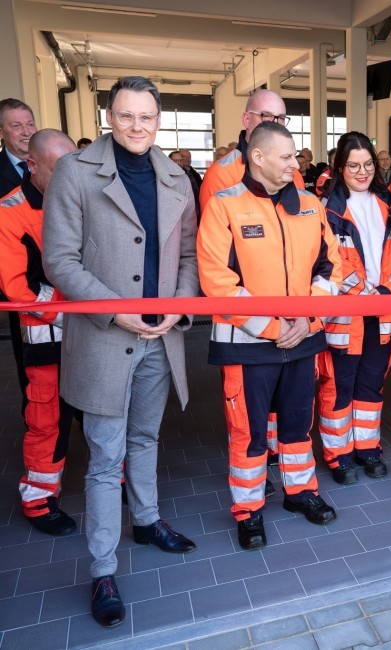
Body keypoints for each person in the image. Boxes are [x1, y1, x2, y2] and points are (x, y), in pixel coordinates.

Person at [43, 76, 199, 628]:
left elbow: (186, 258)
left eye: (148, 117)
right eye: (127, 116)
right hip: (107, 336)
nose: (138, 126)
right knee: (107, 459)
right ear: (110, 116)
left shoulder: (177, 177)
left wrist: (180, 306)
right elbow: (58, 261)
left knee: (146, 436)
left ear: (160, 121)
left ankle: (150, 519)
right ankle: (103, 568)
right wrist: (117, 308)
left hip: (162, 335)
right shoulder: (75, 172)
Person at [197, 121, 343, 548]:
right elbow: (217, 282)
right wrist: (278, 327)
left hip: (303, 342)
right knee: (249, 431)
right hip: (247, 347)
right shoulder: (224, 205)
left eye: (295, 156)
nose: (294, 163)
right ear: (257, 158)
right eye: (286, 156)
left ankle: (301, 493)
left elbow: (330, 266)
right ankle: (249, 510)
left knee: (298, 424)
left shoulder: (311, 205)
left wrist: (306, 321)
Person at [0, 129, 77, 536]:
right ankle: (39, 500)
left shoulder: (81, 200)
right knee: (47, 419)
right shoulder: (8, 212)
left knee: (106, 411)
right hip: (47, 339)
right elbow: (20, 289)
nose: (69, 178)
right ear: (32, 165)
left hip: (91, 335)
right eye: (58, 170)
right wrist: (77, 312)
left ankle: (113, 481)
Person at [318, 132, 391, 484]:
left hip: (384, 311)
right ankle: (339, 455)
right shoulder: (327, 208)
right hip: (344, 314)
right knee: (339, 386)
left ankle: (368, 449)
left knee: (371, 384)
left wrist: (387, 290)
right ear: (340, 167)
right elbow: (327, 261)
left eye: (368, 164)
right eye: (353, 165)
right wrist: (364, 291)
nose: (362, 171)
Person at [199, 89, 302, 208]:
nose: (276, 124)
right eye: (266, 115)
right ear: (246, 120)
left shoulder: (293, 172)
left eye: (281, 118)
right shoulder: (220, 175)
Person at [0, 98, 37, 401]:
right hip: (19, 289)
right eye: (16, 126)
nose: (26, 132)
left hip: (64, 286)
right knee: (33, 366)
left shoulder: (57, 165)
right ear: (2, 132)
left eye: (29, 124)